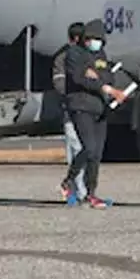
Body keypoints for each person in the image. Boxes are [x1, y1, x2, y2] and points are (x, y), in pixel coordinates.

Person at [61, 20, 123, 209]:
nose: (93, 42)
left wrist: (98, 77)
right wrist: (102, 84)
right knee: (88, 147)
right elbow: (79, 78)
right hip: (81, 106)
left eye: (97, 39)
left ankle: (91, 193)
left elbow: (108, 76)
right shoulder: (74, 53)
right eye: (90, 38)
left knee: (96, 154)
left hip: (100, 107)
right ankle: (69, 180)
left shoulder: (101, 55)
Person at [52, 21, 88, 203]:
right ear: (76, 38)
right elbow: (59, 83)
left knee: (86, 149)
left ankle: (83, 190)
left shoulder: (88, 55)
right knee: (74, 149)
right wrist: (76, 92)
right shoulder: (62, 57)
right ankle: (76, 191)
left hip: (88, 109)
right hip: (71, 109)